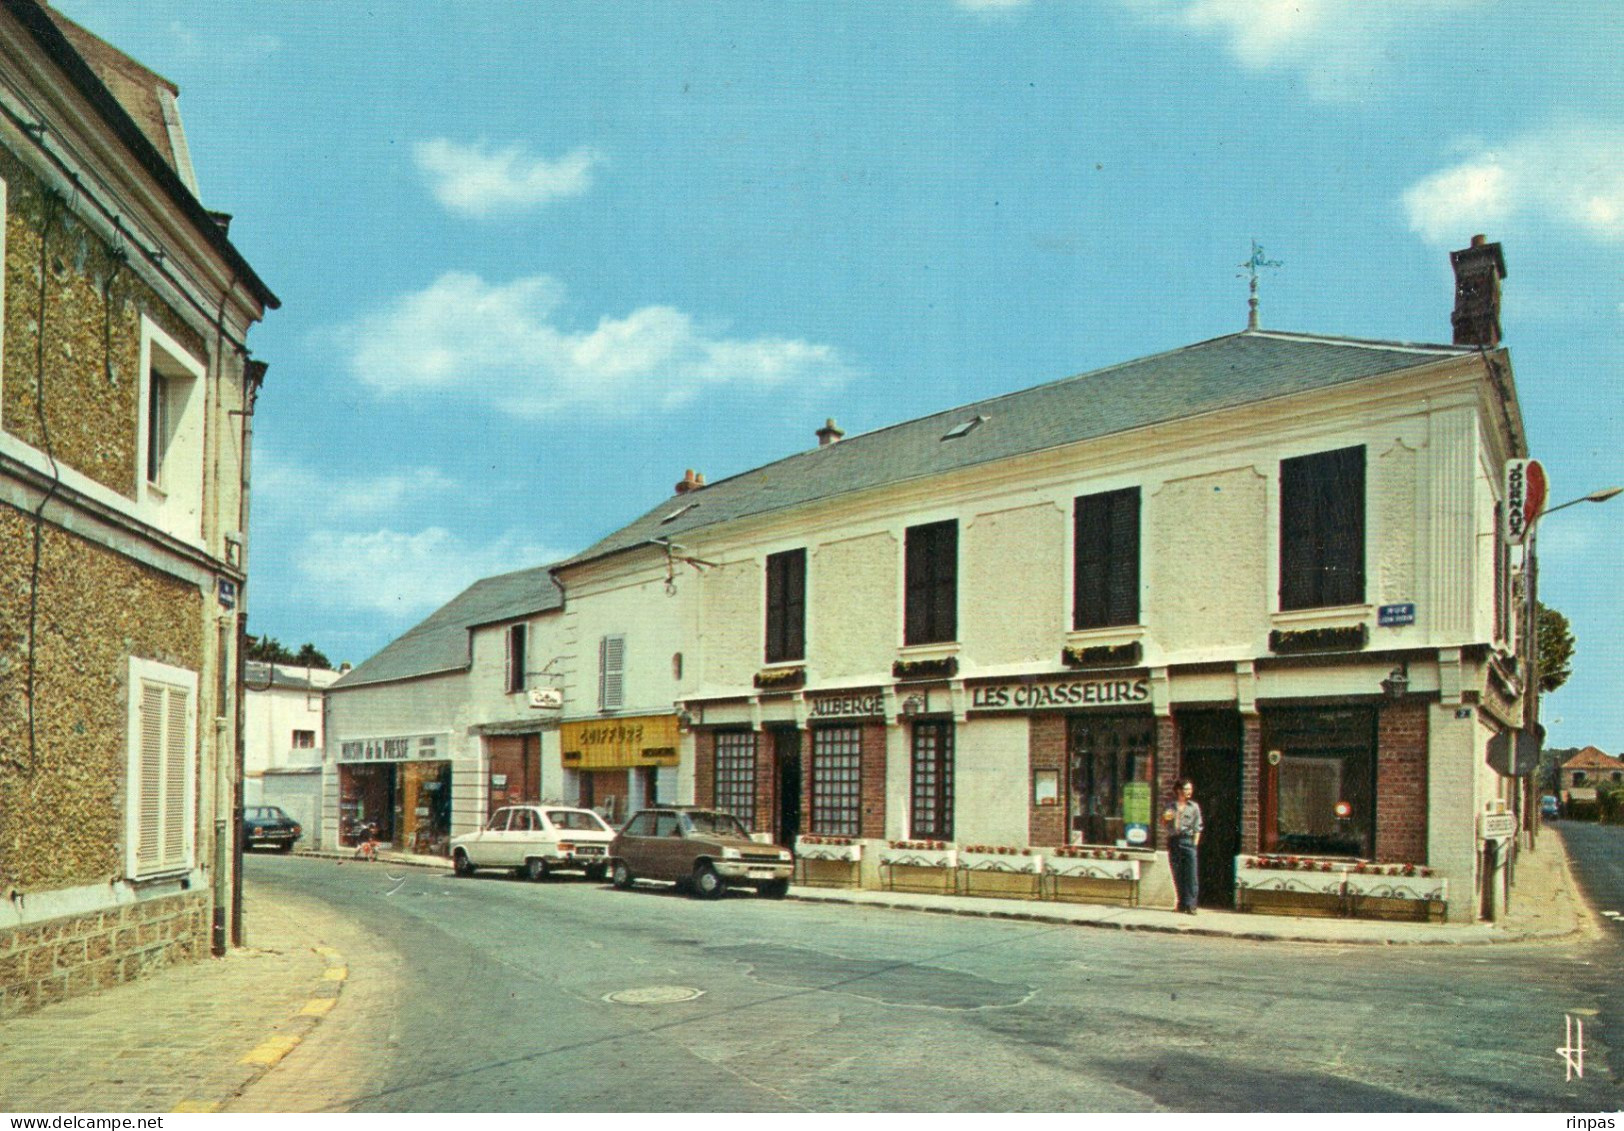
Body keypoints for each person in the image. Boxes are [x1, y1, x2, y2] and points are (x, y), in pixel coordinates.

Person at [1162, 778, 1203, 914]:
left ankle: (1191, 905)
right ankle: (1181, 904)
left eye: (1190, 789)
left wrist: (1194, 845)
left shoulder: (1194, 807)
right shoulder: (1171, 806)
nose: (1189, 792)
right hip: (1174, 840)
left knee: (1190, 874)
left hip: (1188, 840)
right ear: (1179, 790)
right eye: (1186, 789)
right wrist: (1166, 818)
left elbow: (1198, 827)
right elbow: (1164, 823)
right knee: (1178, 874)